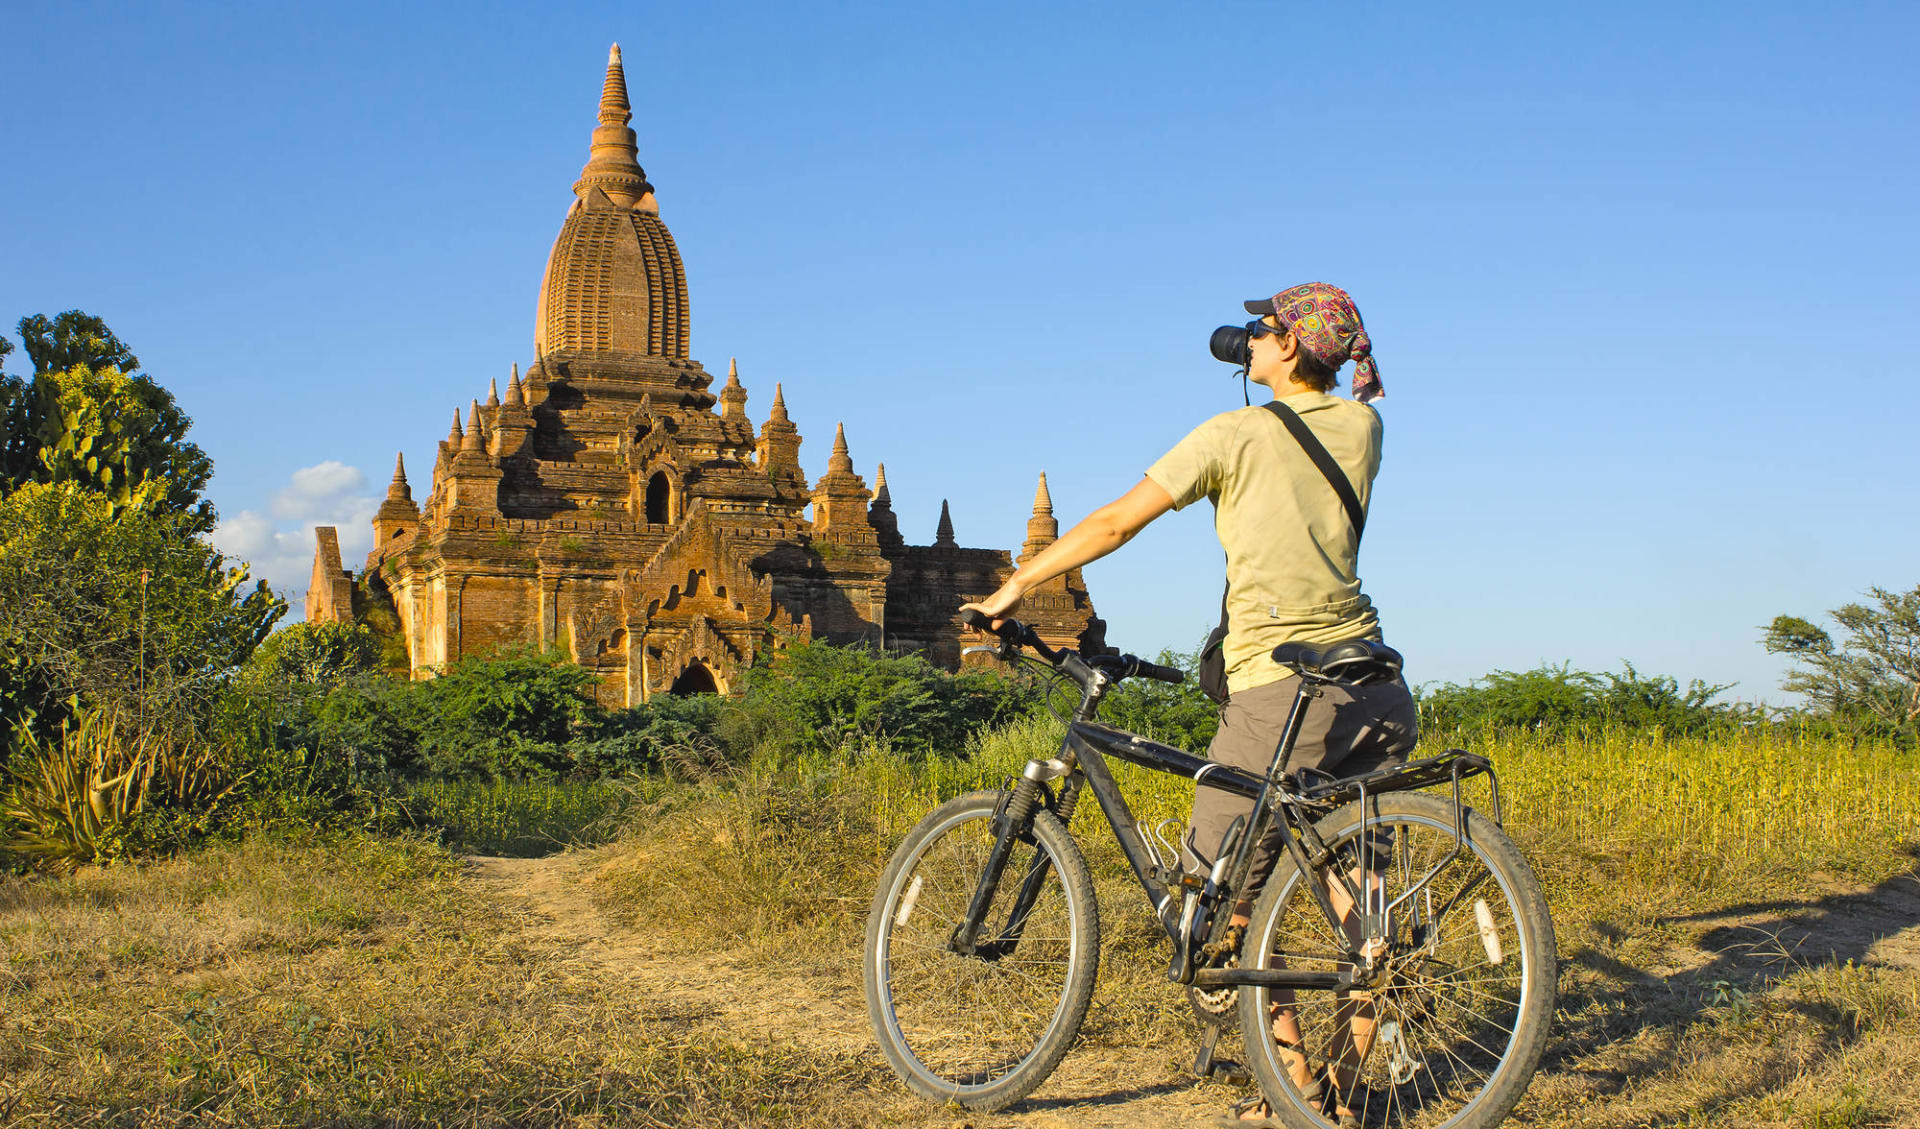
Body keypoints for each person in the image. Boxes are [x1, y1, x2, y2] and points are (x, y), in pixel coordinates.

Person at [960, 282, 1416, 1129]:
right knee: (1363, 889)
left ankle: (1296, 1089)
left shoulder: (1233, 434)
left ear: (1287, 348)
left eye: (1266, 329)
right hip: (1376, 682)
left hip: (1281, 688)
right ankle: (1355, 1085)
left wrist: (1019, 583)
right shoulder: (1365, 429)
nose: (1251, 339)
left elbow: (1114, 522)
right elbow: (1354, 389)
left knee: (1219, 907)